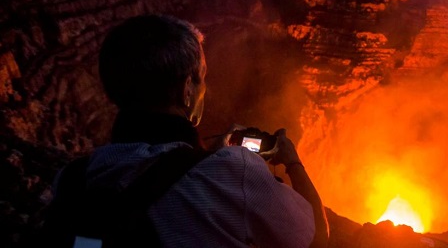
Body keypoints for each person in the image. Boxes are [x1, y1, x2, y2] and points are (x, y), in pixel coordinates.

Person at [48, 14, 329, 247]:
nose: (205, 90)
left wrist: (204, 156)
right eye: (201, 78)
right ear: (186, 90)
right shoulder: (234, 173)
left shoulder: (72, 180)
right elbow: (316, 237)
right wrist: (292, 161)